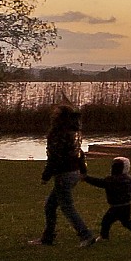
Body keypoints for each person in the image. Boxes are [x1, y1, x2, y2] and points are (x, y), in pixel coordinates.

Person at [39, 105, 95, 247]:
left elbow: (55, 157)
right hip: (74, 172)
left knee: (67, 207)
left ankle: (85, 235)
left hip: (63, 174)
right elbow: (79, 152)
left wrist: (46, 175)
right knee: (50, 205)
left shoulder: (58, 134)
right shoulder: (74, 132)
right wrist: (83, 170)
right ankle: (47, 238)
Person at [90, 156, 131, 240]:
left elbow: (100, 183)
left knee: (106, 221)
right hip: (127, 205)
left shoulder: (111, 180)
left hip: (116, 206)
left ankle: (104, 237)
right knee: (126, 221)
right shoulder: (130, 180)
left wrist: (87, 178)